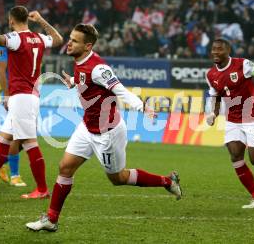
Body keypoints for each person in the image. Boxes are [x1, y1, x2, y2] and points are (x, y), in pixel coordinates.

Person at [26, 23, 182, 232]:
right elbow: (86, 80)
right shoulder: (80, 61)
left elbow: (120, 90)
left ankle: (166, 181)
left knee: (118, 178)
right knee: (65, 167)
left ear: (88, 46)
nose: (69, 43)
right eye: (70, 38)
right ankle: (51, 219)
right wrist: (73, 81)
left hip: (107, 133)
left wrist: (142, 106)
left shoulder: (99, 68)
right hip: (87, 127)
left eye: (74, 40)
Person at [0, 5, 63, 199]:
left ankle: (42, 189)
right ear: (27, 19)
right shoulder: (38, 38)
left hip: (23, 97)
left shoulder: (16, 39)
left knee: (30, 143)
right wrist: (42, 20)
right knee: (4, 140)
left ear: (11, 21)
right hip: (27, 96)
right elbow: (59, 39)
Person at [205, 38, 254, 209]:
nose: (215, 52)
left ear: (228, 51)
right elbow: (216, 96)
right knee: (235, 155)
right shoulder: (210, 75)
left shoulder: (243, 64)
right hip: (233, 119)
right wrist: (213, 112)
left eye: (219, 49)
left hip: (253, 115)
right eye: (213, 49)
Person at [0, 45, 26, 187]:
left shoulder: (27, 41)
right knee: (17, 135)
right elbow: (1, 70)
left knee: (25, 138)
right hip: (14, 94)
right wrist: (6, 96)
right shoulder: (3, 45)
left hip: (27, 94)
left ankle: (2, 163)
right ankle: (15, 175)